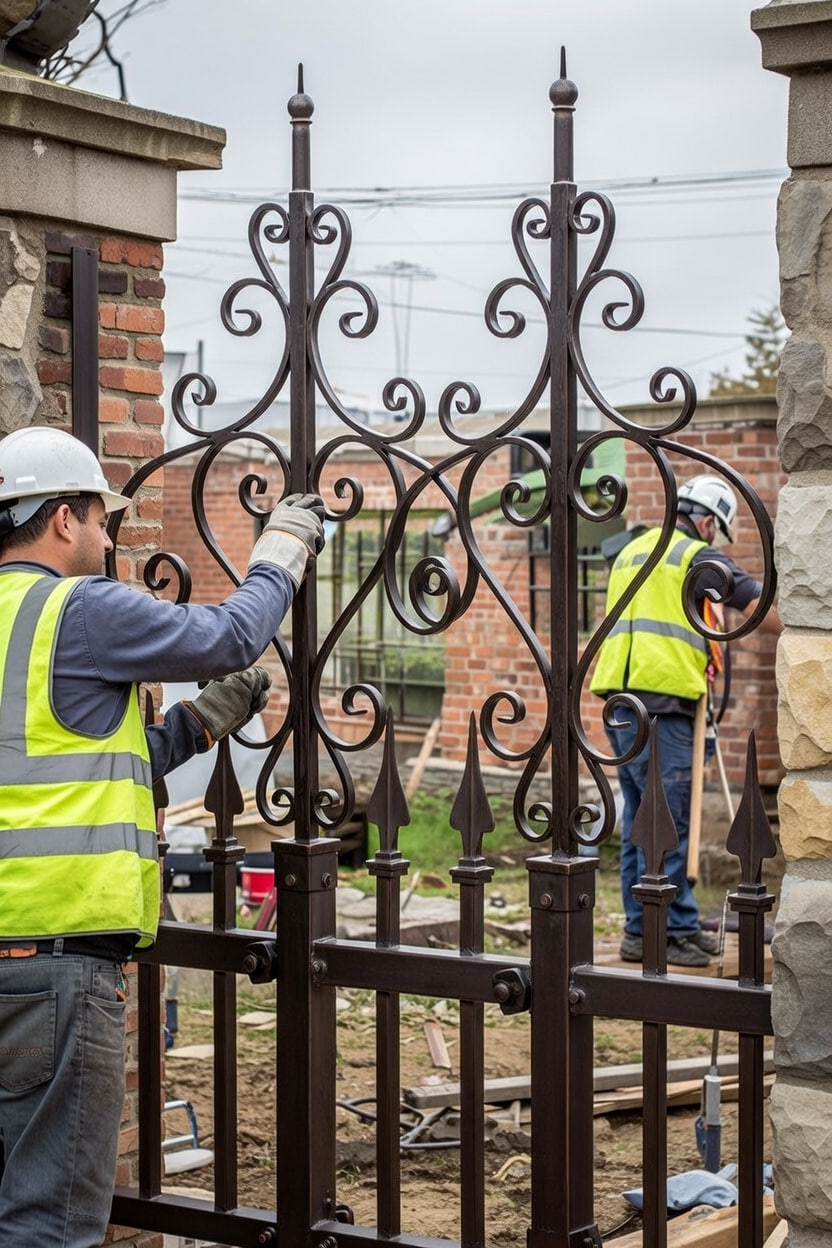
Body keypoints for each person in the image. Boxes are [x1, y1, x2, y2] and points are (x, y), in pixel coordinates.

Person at [0, 425, 325, 1247]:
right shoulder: (77, 609)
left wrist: (199, 723)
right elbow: (228, 637)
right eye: (100, 519)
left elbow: (59, 759)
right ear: (62, 519)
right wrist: (282, 548)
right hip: (57, 968)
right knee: (49, 1223)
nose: (107, 538)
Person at [590, 474, 781, 967]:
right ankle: (671, 930)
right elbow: (753, 601)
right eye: (715, 529)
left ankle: (642, 929)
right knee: (669, 822)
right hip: (662, 704)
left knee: (642, 821)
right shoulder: (693, 556)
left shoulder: (635, 549)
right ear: (704, 520)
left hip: (621, 702)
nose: (714, 539)